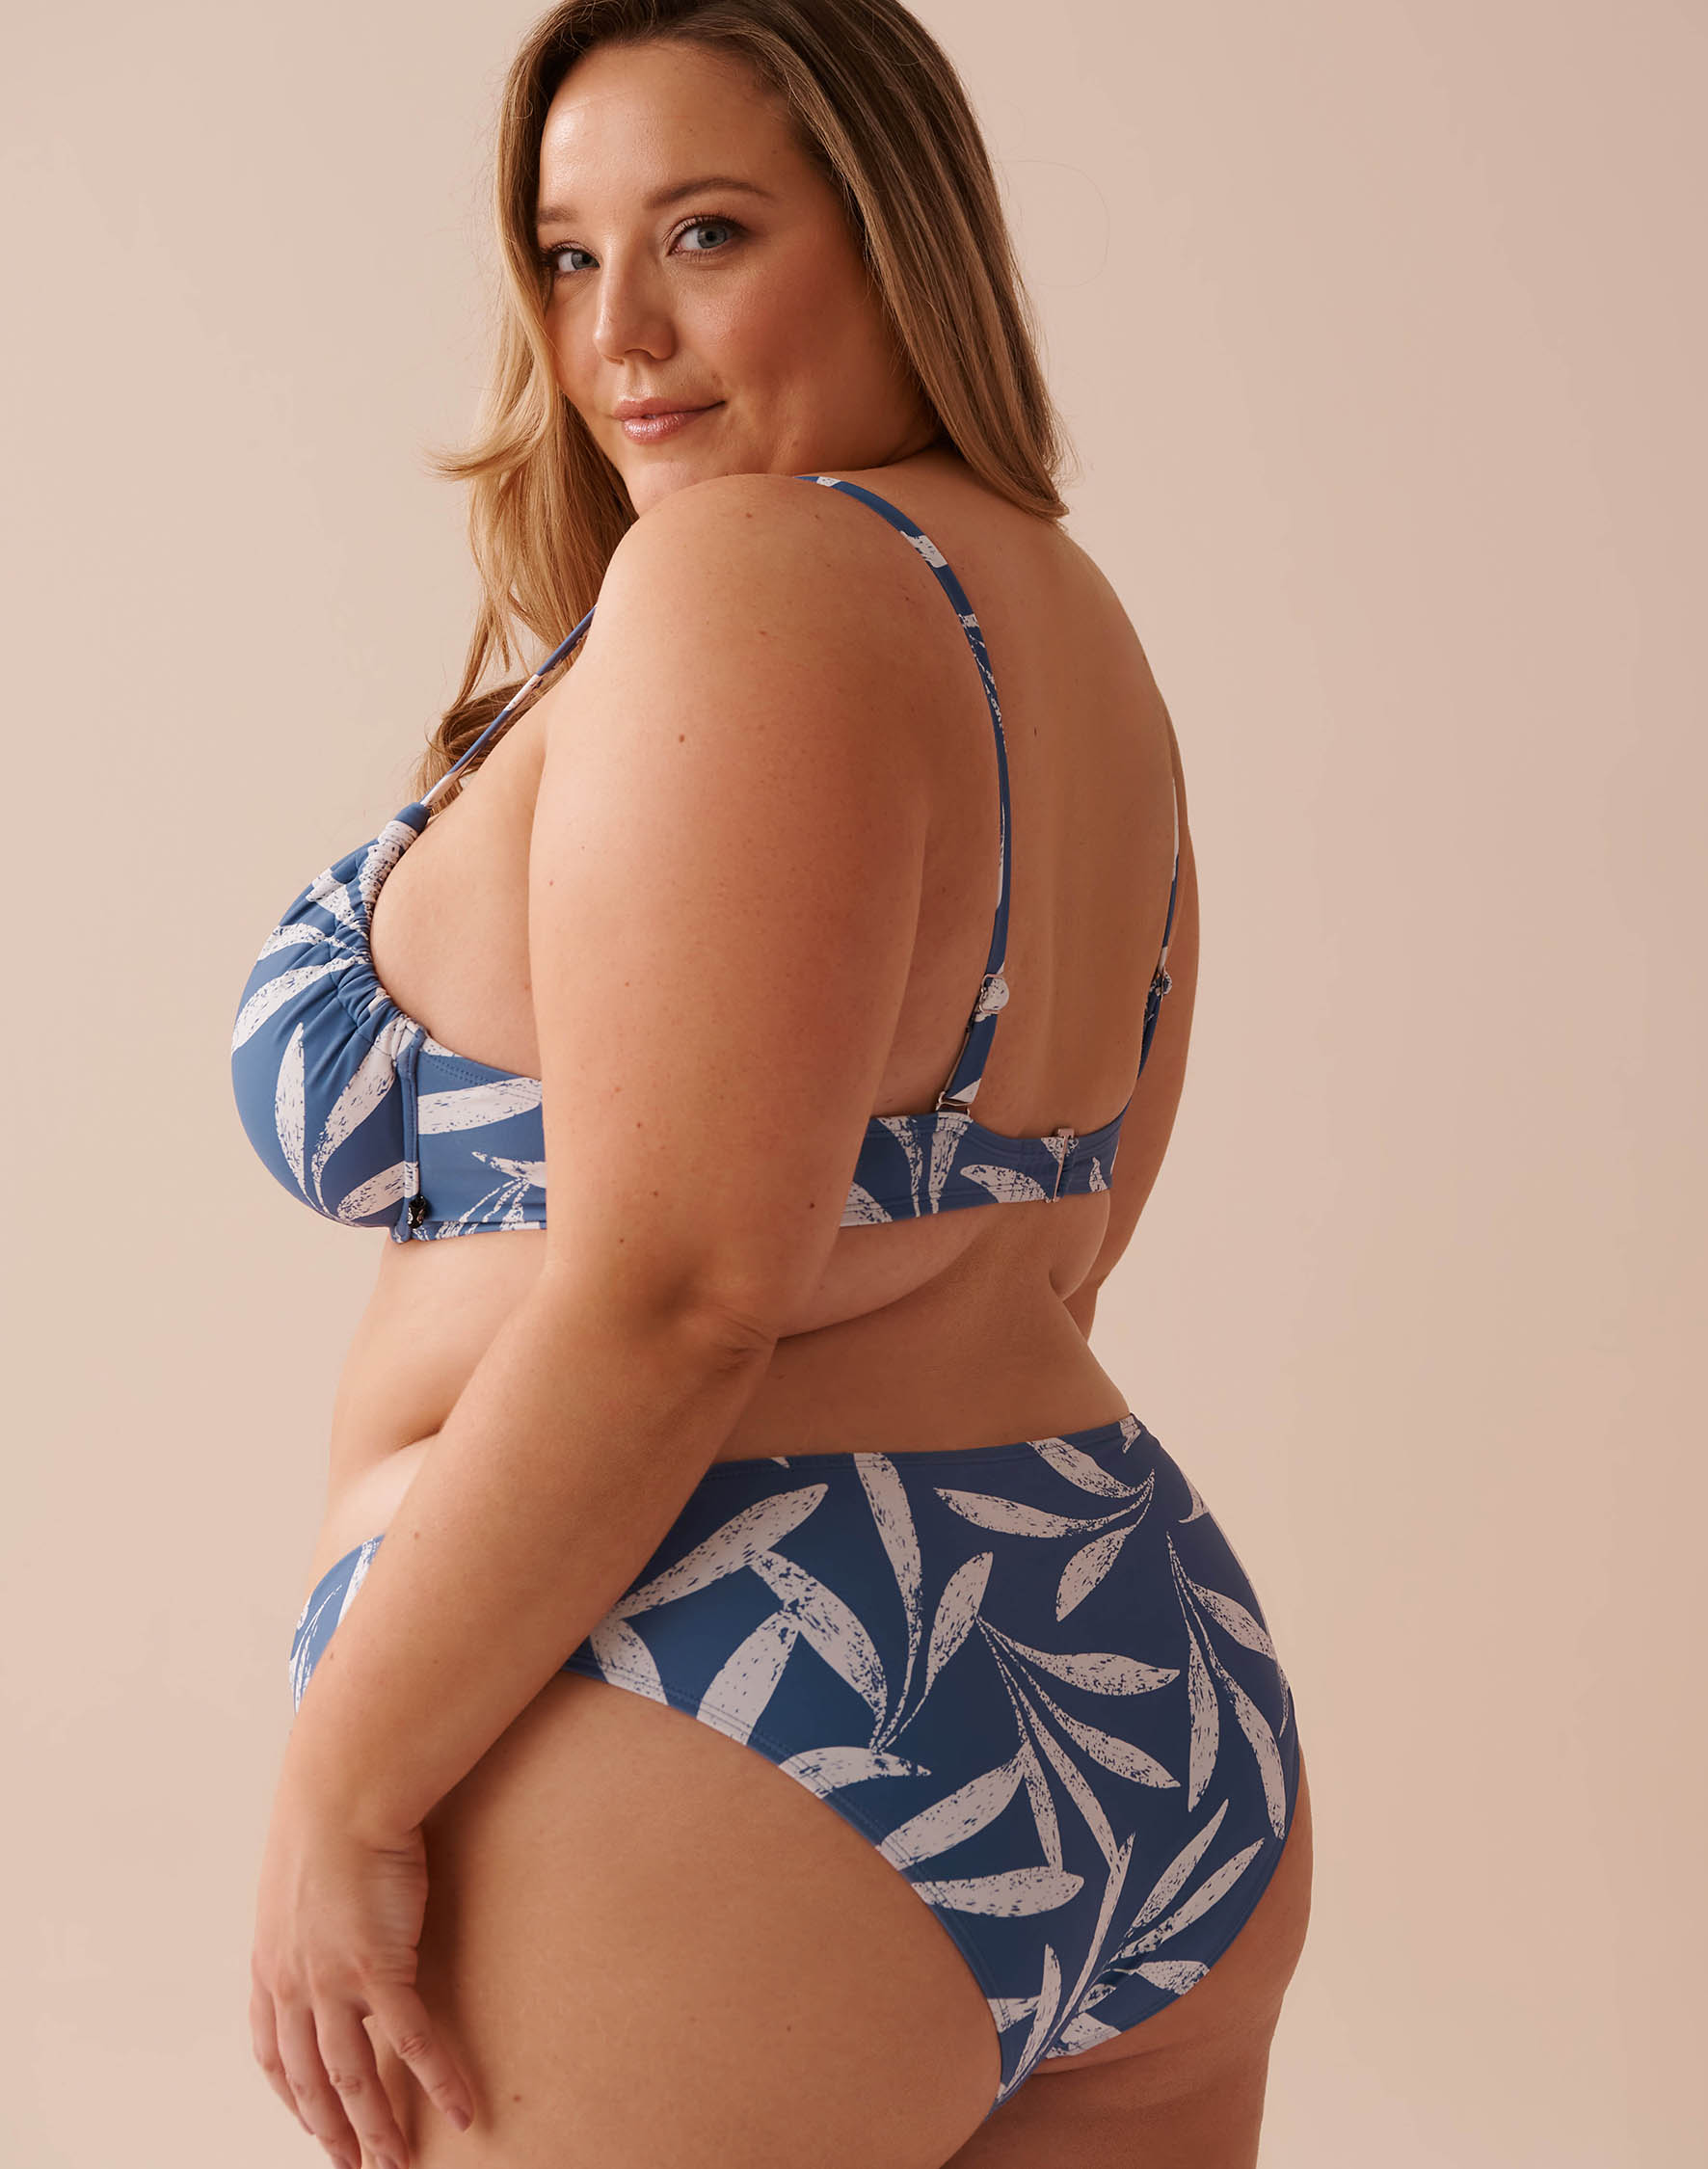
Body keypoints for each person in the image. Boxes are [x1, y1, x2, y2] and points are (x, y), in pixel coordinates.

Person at [232, 3, 1313, 2163]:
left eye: (706, 234)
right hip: (1134, 1664)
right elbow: (1060, 1239)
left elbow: (684, 1292)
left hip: (735, 1689)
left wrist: (345, 1787)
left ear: (897, 233)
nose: (618, 332)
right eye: (566, 255)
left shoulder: (745, 573)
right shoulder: (1067, 626)